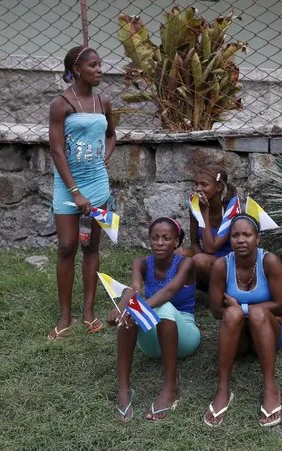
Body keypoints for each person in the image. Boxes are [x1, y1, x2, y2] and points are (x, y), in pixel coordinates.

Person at [47, 45, 116, 340]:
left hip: (97, 183)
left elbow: (111, 135)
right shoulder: (61, 104)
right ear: (77, 70)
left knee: (91, 246)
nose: (99, 69)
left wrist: (105, 157)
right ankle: (65, 316)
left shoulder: (104, 102)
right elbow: (57, 150)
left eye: (100, 65)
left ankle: (88, 312)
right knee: (67, 245)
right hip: (68, 184)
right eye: (93, 65)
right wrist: (75, 192)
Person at [106, 217, 201, 422]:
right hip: (152, 344)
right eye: (155, 238)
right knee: (130, 311)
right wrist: (121, 309)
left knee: (162, 307)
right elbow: (135, 288)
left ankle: (170, 387)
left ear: (176, 242)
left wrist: (138, 308)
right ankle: (124, 389)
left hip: (185, 336)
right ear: (148, 240)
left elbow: (170, 290)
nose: (159, 242)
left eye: (166, 238)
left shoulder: (186, 262)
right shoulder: (141, 262)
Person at [203, 213, 282, 427]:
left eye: (247, 235)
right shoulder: (222, 266)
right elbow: (215, 310)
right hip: (238, 338)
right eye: (235, 235)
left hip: (269, 331)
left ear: (257, 238)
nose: (241, 240)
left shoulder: (269, 261)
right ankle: (222, 389)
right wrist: (238, 312)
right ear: (230, 239)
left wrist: (241, 307)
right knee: (231, 314)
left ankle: (270, 388)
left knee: (256, 313)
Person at [178, 166, 238, 289]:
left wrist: (205, 211)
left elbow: (211, 248)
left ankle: (221, 290)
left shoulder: (231, 210)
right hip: (206, 259)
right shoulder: (195, 207)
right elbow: (194, 242)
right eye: (197, 184)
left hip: (228, 264)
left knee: (200, 260)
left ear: (219, 187)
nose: (198, 188)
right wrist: (198, 259)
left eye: (204, 184)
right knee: (178, 253)